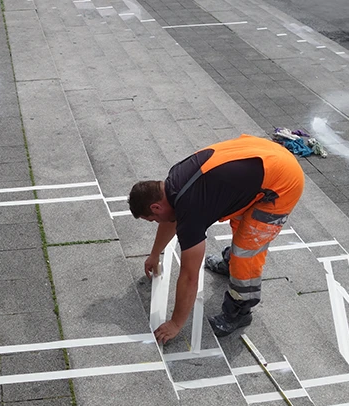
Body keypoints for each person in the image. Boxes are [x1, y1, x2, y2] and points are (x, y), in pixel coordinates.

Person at [129, 135, 305, 340]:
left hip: (282, 184)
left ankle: (240, 312)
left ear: (156, 207)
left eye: (153, 219)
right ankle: (231, 264)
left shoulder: (190, 209)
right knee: (240, 221)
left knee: (246, 252)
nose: (157, 223)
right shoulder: (173, 183)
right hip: (264, 155)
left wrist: (175, 324)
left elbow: (189, 275)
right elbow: (169, 220)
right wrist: (154, 254)